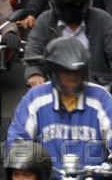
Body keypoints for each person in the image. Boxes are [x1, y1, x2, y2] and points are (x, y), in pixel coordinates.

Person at [7, 39, 112, 173]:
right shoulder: (36, 98)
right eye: (66, 71)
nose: (73, 76)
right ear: (54, 72)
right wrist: (25, 162)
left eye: (78, 71)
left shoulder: (101, 98)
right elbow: (17, 139)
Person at [23, 0, 112, 86]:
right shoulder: (45, 20)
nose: (70, 9)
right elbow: (33, 50)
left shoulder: (102, 19)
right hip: (55, 87)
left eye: (76, 3)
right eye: (63, 4)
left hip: (99, 87)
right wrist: (34, 74)